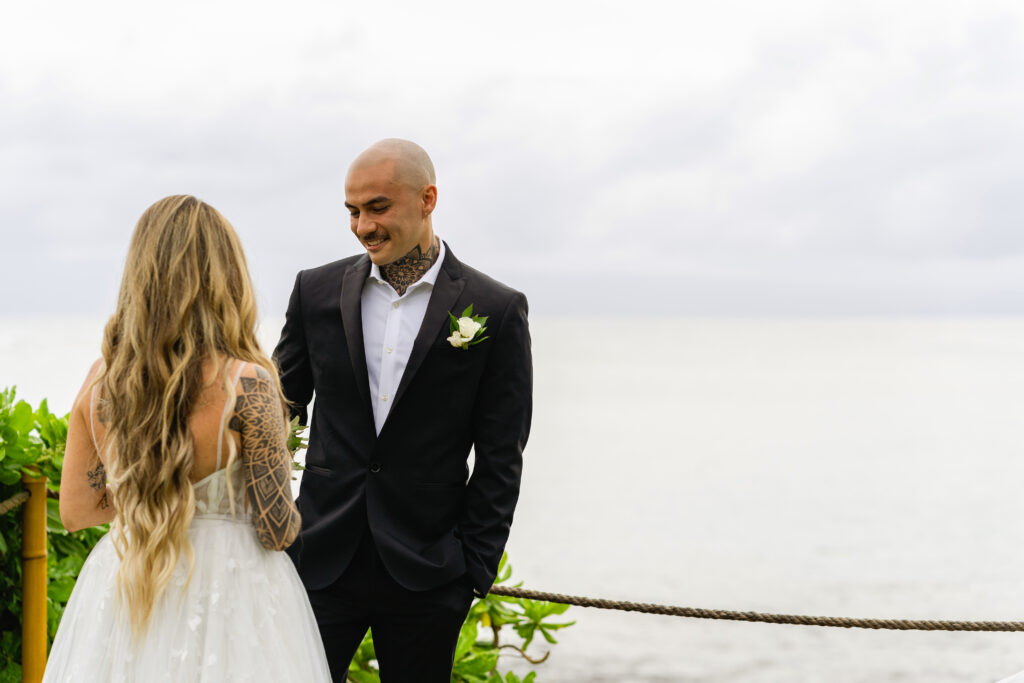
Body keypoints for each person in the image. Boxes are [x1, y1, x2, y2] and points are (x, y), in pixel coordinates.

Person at [43, 195, 331, 682]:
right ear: (227, 277)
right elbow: (277, 528)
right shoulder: (250, 384)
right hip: (233, 594)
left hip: (126, 584)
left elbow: (75, 512)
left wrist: (153, 497)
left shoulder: (100, 381)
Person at [275, 139, 532, 681]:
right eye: (352, 210)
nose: (362, 225)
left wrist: (471, 571)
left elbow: (501, 455)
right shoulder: (315, 292)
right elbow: (277, 413)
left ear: (428, 198)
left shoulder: (494, 309)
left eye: (377, 207)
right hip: (319, 560)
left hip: (429, 572)